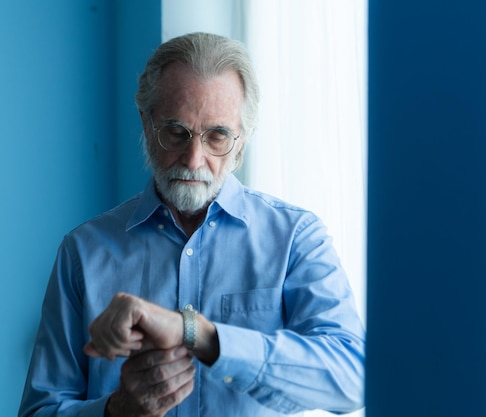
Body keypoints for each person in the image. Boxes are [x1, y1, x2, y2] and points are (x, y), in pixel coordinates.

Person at [19, 32, 365, 417]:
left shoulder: (296, 238)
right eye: (176, 132)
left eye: (217, 136)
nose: (194, 158)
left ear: (243, 140)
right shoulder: (83, 252)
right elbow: (39, 410)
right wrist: (115, 412)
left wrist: (200, 334)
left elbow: (353, 378)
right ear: (146, 123)